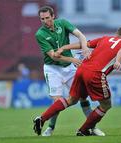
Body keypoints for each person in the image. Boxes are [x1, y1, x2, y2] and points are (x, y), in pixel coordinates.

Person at [33, 27, 121, 136]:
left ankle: (42, 118)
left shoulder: (105, 38)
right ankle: (84, 129)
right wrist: (118, 60)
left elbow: (84, 44)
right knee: (106, 105)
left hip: (81, 68)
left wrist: (65, 47)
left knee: (71, 99)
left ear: (116, 34)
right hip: (96, 73)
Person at [35, 6, 104, 136]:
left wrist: (84, 48)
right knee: (57, 101)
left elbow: (80, 35)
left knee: (83, 96)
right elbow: (53, 55)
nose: (45, 21)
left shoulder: (63, 23)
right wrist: (72, 59)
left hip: (68, 68)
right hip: (53, 69)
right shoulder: (40, 34)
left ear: (53, 16)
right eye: (42, 19)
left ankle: (91, 127)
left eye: (47, 18)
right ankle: (50, 127)